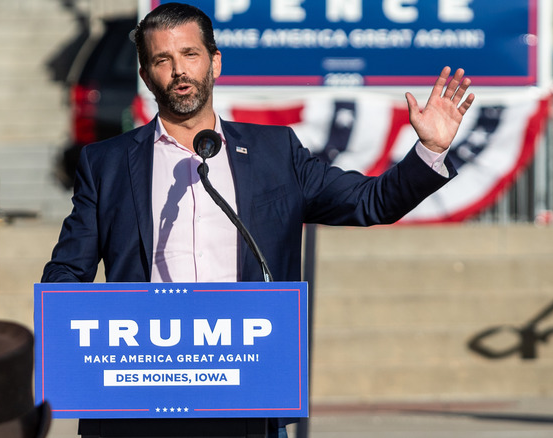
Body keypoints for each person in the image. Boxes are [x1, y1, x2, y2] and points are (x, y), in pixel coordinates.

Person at [41, 2, 474, 436]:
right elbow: (67, 270)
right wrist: (78, 337)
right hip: (141, 400)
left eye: (190, 55)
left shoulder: (275, 153)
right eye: (162, 59)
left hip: (245, 396)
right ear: (145, 74)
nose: (179, 71)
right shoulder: (107, 163)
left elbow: (371, 201)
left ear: (215, 62)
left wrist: (430, 151)